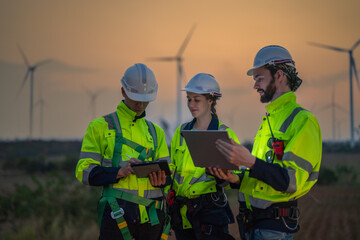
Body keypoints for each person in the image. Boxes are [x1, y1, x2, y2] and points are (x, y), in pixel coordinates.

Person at [209, 45, 322, 240]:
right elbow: (262, 175)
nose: (255, 86)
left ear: (279, 75)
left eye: (259, 78)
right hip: (253, 226)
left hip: (273, 229)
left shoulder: (303, 121)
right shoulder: (270, 120)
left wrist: (250, 161)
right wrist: (236, 179)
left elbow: (291, 181)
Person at [75, 63, 172, 240]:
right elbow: (83, 171)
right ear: (123, 91)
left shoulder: (156, 132)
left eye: (146, 98)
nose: (141, 103)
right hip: (117, 216)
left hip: (152, 219)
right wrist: (118, 172)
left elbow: (168, 174)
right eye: (136, 98)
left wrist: (163, 180)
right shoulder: (100, 127)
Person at [168, 73, 239, 240]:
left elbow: (237, 176)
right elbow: (174, 168)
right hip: (182, 215)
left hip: (210, 215)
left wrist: (224, 177)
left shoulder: (224, 134)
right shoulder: (181, 131)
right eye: (188, 99)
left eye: (196, 99)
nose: (191, 104)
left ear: (210, 100)